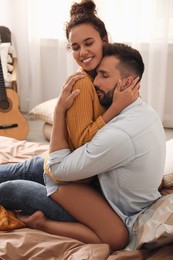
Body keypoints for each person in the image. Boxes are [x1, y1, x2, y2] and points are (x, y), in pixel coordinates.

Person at [0, 42, 166, 251]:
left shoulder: (120, 134)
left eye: (104, 76)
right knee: (28, 167)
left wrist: (60, 111)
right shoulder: (145, 112)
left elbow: (58, 171)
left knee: (10, 189)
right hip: (86, 184)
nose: (95, 82)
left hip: (75, 188)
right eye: (96, 74)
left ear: (129, 82)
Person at [0, 0, 137, 186]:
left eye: (89, 43)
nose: (83, 52)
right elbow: (83, 147)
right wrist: (115, 108)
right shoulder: (81, 83)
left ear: (104, 40)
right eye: (75, 47)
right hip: (59, 170)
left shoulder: (114, 75)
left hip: (70, 168)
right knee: (11, 178)